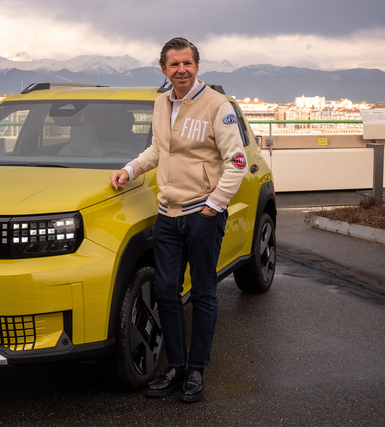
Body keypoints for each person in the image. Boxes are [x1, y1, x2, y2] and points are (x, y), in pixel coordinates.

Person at [110, 37, 247, 403]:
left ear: (197, 66)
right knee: (167, 295)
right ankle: (176, 367)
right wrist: (130, 168)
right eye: (174, 65)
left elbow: (237, 162)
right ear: (164, 70)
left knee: (203, 293)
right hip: (167, 216)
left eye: (187, 63)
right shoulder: (160, 103)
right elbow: (158, 149)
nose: (181, 70)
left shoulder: (219, 106)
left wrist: (213, 206)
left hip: (202, 214)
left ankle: (197, 371)